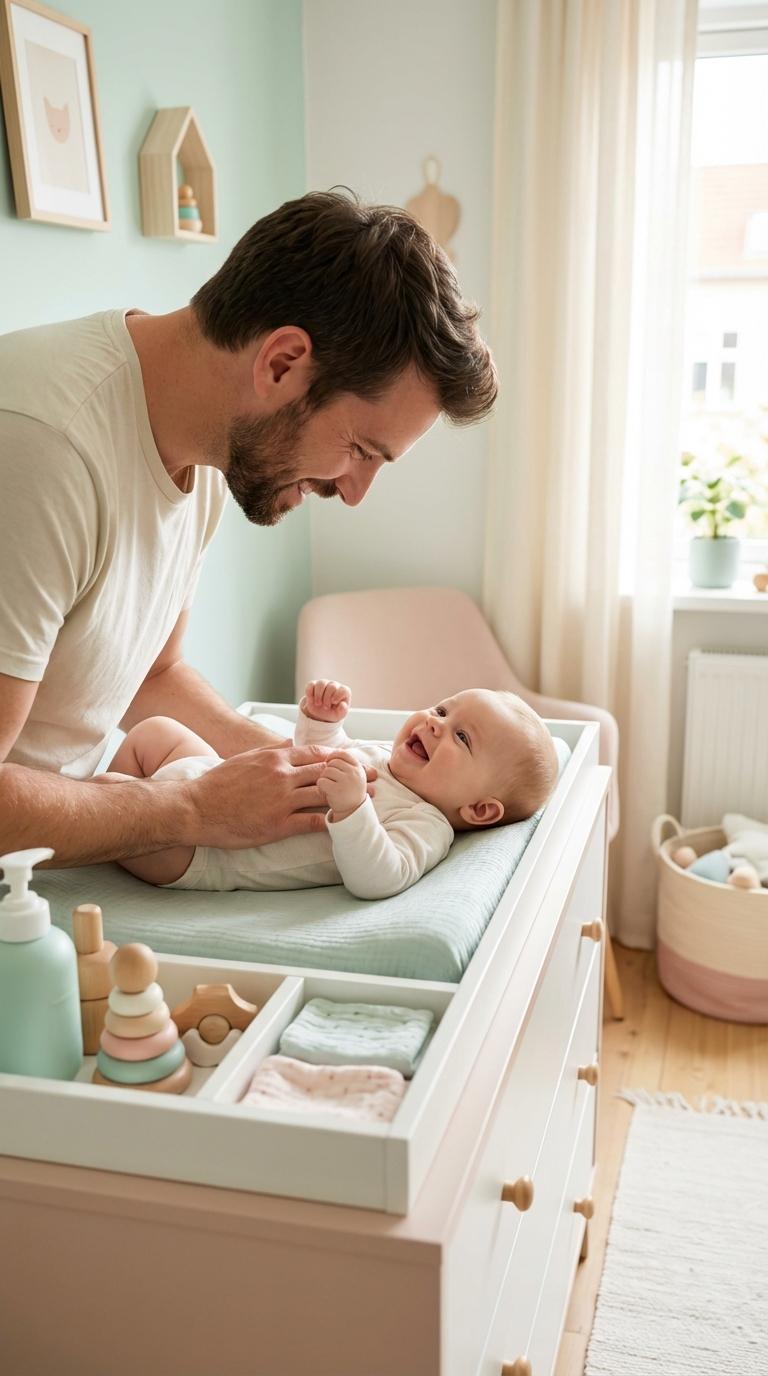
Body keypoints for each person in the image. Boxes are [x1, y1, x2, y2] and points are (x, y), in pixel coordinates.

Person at [0, 190, 497, 867]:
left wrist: (287, 759)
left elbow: (155, 672)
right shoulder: (42, 451)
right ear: (282, 364)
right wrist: (191, 810)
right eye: (361, 449)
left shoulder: (201, 447)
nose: (354, 492)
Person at [99, 679, 559, 900]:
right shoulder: (391, 757)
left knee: (108, 794)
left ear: (479, 810)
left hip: (199, 851)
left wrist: (354, 809)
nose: (436, 725)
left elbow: (381, 877)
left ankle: (93, 842)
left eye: (462, 737)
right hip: (213, 778)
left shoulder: (426, 823)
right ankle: (99, 833)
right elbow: (324, 754)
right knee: (154, 730)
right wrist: (322, 724)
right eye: (442, 710)